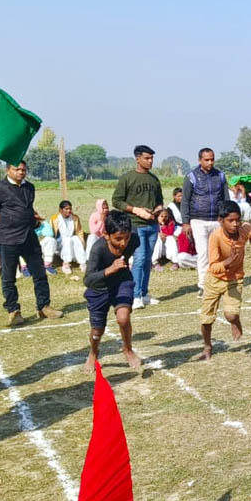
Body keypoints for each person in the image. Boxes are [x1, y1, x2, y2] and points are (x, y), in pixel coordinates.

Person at [0, 161, 63, 326]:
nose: (21, 172)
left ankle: (43, 306)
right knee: (8, 277)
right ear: (8, 170)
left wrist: (34, 222)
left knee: (40, 273)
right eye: (17, 169)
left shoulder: (30, 188)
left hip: (29, 237)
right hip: (8, 239)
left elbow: (28, 210)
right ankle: (13, 310)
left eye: (23, 170)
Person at [197, 200, 251, 360]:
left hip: (235, 280)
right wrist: (228, 262)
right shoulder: (215, 237)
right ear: (221, 221)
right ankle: (207, 347)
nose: (235, 224)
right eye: (231, 221)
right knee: (206, 319)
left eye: (237, 220)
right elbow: (213, 266)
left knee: (231, 315)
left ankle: (236, 322)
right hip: (214, 280)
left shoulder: (244, 229)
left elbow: (249, 230)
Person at [83, 211, 141, 371]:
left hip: (122, 281)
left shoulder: (133, 240)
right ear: (106, 235)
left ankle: (128, 349)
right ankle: (93, 352)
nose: (123, 243)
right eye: (118, 239)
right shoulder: (98, 249)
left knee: (123, 318)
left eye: (126, 237)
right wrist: (109, 269)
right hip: (99, 288)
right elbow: (87, 279)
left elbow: (133, 232)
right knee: (97, 330)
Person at [111, 145, 164, 309]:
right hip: (135, 225)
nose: (150, 161)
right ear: (138, 159)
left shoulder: (154, 179)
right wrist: (137, 210)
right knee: (139, 259)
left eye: (152, 158)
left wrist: (157, 210)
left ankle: (144, 293)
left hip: (152, 225)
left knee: (148, 260)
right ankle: (134, 296)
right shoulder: (127, 178)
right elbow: (117, 201)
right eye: (147, 158)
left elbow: (160, 201)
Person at [181, 148, 229, 290]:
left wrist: (226, 219)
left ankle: (218, 280)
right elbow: (185, 200)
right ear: (200, 160)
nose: (210, 162)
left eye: (212, 159)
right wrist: (185, 222)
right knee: (203, 254)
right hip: (198, 221)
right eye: (207, 160)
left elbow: (226, 198)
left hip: (217, 220)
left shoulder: (220, 176)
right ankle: (203, 286)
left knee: (218, 253)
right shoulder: (191, 177)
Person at [51, 200, 87, 274]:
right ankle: (66, 263)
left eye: (70, 209)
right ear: (60, 210)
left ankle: (82, 262)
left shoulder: (75, 218)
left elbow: (79, 232)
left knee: (75, 238)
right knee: (67, 239)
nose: (69, 211)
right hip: (60, 242)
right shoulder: (55, 218)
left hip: (71, 240)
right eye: (66, 209)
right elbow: (52, 233)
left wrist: (82, 242)